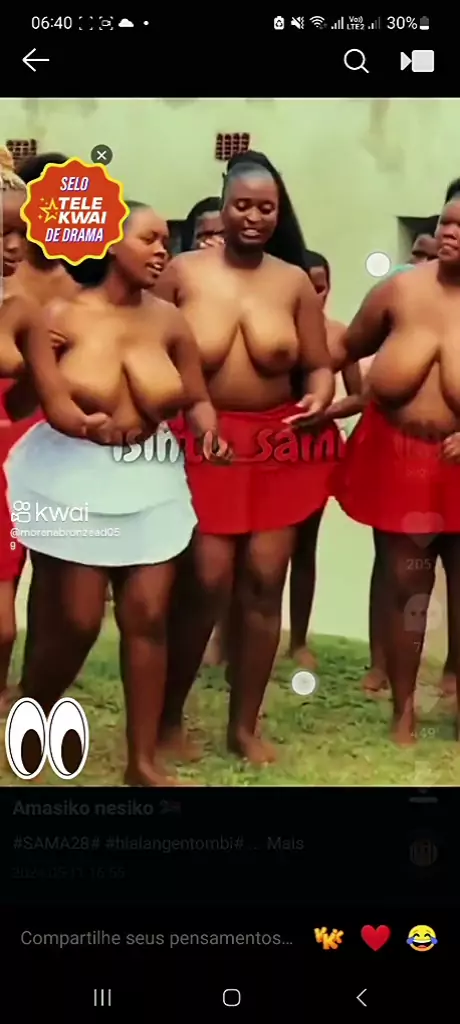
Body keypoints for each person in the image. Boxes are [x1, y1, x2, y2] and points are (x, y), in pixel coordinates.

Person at [4, 200, 228, 786]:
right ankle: (34, 706)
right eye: (149, 239)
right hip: (69, 477)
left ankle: (141, 761)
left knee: (147, 615)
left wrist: (207, 430)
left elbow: (197, 396)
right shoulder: (61, 315)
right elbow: (26, 405)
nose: (161, 251)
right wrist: (44, 372)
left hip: (149, 474)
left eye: (165, 242)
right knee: (78, 621)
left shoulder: (170, 322)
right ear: (109, 243)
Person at [156, 150, 335, 764]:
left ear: (279, 212)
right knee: (206, 579)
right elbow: (146, 342)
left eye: (266, 208)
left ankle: (244, 726)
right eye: (242, 206)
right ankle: (167, 718)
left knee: (264, 580)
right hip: (203, 438)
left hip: (277, 441)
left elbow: (318, 364)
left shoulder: (292, 282)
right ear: (223, 206)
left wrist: (319, 395)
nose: (254, 217)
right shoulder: (182, 273)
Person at [333, 178, 460, 743]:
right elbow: (342, 348)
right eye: (445, 223)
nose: (450, 233)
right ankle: (403, 707)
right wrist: (326, 394)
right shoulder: (399, 290)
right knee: (407, 583)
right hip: (399, 454)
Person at [288, 250, 362, 666]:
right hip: (267, 444)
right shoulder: (272, 331)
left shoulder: (339, 335)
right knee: (251, 546)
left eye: (322, 286)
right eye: (308, 285)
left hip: (315, 447)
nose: (316, 294)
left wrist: (327, 411)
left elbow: (360, 395)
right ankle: (228, 639)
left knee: (304, 545)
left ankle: (298, 640)